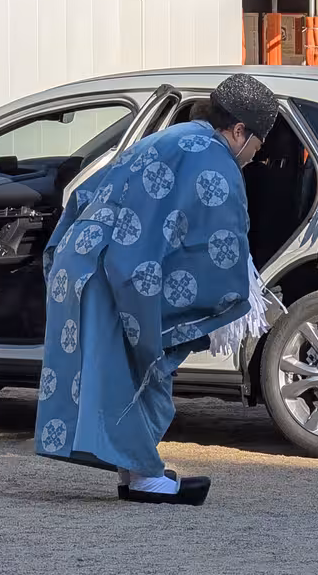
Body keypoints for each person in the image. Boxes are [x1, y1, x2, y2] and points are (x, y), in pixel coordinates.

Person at [35, 74, 279, 506]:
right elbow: (218, 244)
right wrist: (238, 294)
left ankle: (137, 471)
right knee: (132, 370)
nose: (255, 156)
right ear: (240, 130)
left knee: (123, 370)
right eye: (259, 144)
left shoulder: (177, 137)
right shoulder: (213, 158)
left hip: (88, 260)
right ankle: (145, 477)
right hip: (113, 269)